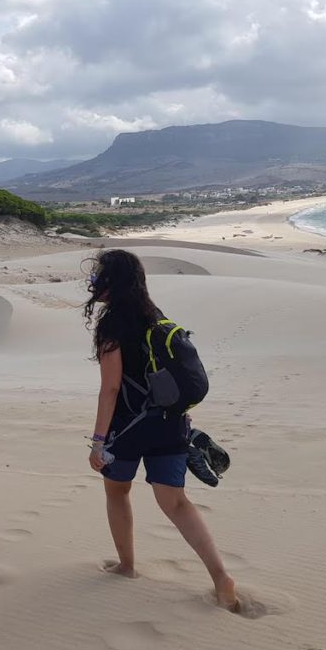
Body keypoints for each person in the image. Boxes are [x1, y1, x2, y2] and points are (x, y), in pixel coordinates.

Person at [83, 249, 239, 610]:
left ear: (111, 282)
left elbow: (110, 388)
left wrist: (97, 442)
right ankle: (220, 576)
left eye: (99, 276)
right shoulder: (155, 316)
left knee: (117, 493)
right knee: (177, 503)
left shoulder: (112, 326)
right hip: (170, 426)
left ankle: (126, 566)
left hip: (126, 428)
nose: (94, 283)